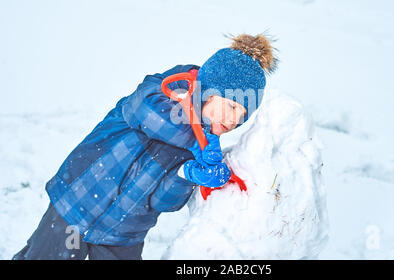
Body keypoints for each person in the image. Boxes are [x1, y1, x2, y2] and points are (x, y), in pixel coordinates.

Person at [12, 33, 278, 260]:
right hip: (77, 203)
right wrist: (198, 138)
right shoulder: (162, 93)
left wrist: (187, 174)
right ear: (208, 91)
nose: (233, 119)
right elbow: (150, 117)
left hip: (122, 233)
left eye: (241, 115)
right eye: (232, 105)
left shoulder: (202, 146)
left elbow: (162, 201)